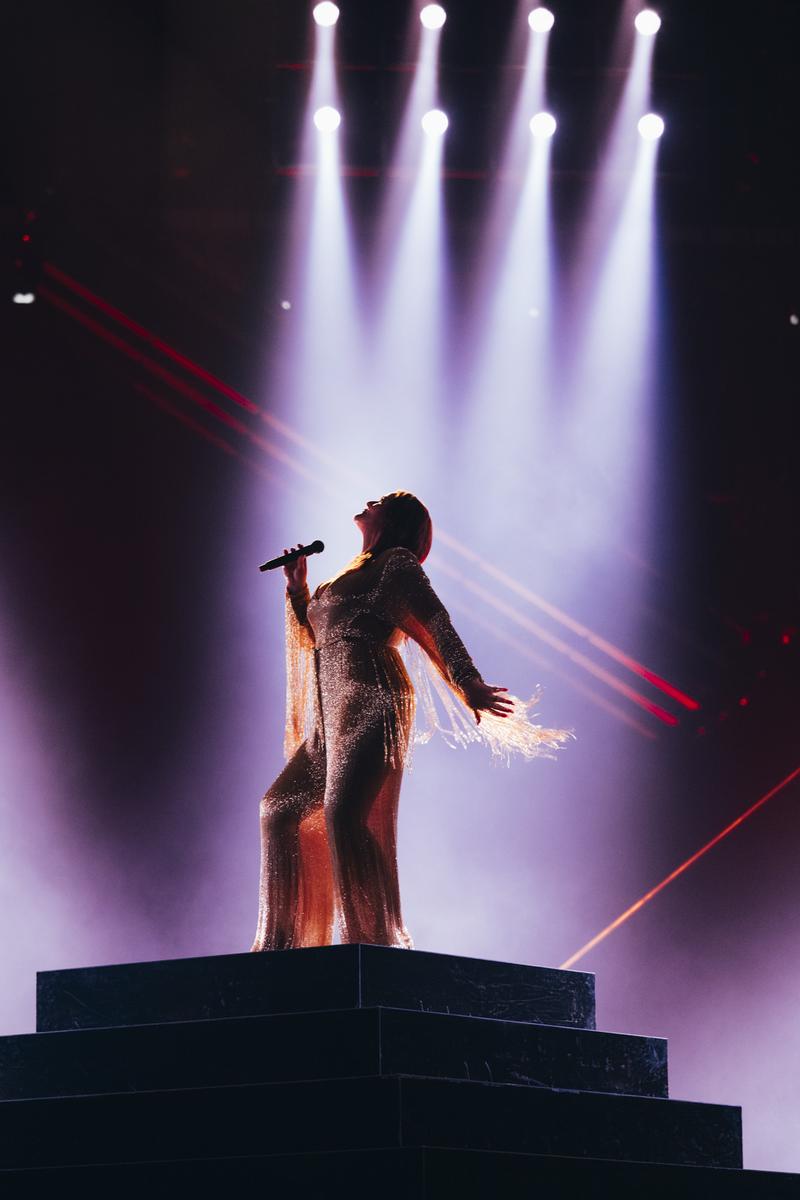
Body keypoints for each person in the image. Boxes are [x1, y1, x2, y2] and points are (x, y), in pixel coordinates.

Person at [249, 491, 572, 953]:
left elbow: (436, 620)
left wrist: (468, 681)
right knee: (279, 809)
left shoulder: (396, 563)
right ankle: (283, 946)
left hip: (373, 700)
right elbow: (316, 635)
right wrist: (299, 589)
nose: (369, 501)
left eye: (380, 500)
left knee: (344, 815)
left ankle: (371, 942)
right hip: (329, 714)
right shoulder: (345, 575)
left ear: (396, 520)